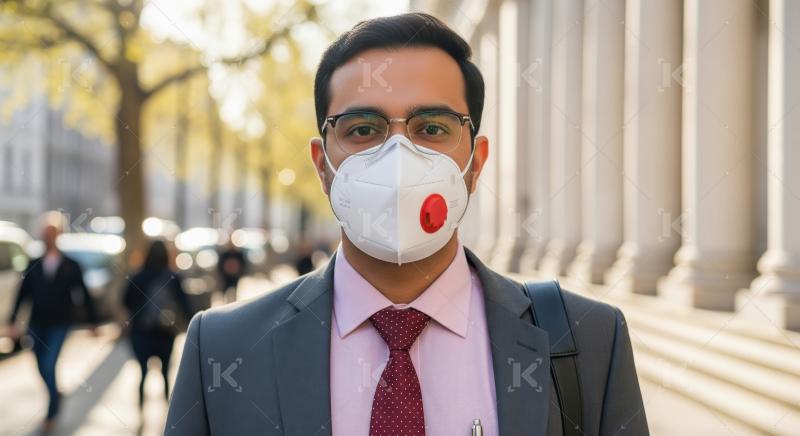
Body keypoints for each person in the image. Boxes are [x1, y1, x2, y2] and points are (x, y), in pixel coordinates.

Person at [166, 13, 648, 435]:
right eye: (363, 129)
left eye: (432, 128)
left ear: (475, 163)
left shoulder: (590, 342)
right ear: (322, 165)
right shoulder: (224, 348)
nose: (398, 158)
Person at [7, 223, 99, 432]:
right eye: (44, 234)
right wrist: (13, 322)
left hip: (60, 323)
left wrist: (93, 322)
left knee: (49, 364)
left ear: (58, 236)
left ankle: (52, 411)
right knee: (40, 364)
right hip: (37, 323)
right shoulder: (34, 264)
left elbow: (83, 294)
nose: (47, 238)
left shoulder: (71, 265)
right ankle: (55, 393)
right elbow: (22, 295)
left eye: (51, 234)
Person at [123, 240, 191, 415]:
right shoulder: (173, 277)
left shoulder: (138, 276)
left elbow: (126, 301)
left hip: (141, 332)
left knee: (143, 373)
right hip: (165, 332)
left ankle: (140, 409)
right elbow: (185, 305)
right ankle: (169, 411)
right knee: (166, 373)